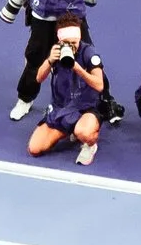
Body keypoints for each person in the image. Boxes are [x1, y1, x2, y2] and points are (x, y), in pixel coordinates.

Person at [23, 16, 107, 168]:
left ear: (79, 39)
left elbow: (99, 85)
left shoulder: (89, 53)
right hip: (61, 109)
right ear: (60, 41)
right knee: (34, 149)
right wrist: (49, 61)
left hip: (85, 108)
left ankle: (90, 144)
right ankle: (69, 130)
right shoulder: (55, 52)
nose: (71, 46)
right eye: (66, 43)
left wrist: (78, 68)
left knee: (85, 133)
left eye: (74, 42)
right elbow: (39, 78)